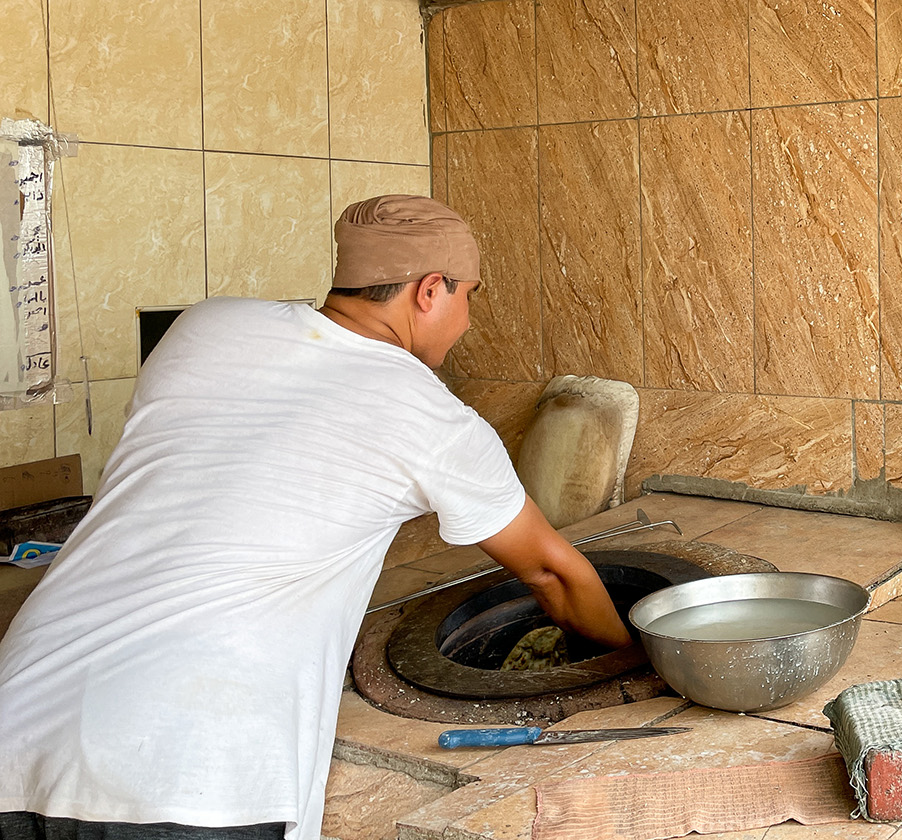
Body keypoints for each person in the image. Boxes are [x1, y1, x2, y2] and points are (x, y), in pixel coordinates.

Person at [0, 195, 631, 840]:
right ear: (429, 290)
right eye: (470, 295)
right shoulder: (429, 416)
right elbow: (553, 576)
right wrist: (634, 659)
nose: (468, 320)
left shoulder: (203, 326)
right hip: (186, 773)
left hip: (17, 722)